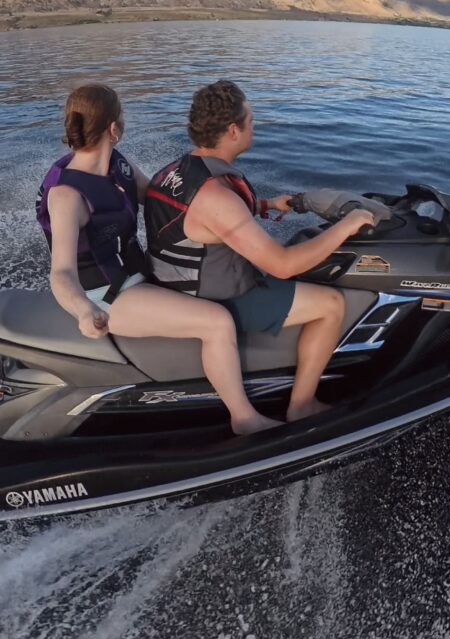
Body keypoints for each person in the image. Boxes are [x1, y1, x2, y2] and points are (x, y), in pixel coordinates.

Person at [37, 84, 280, 435]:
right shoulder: (67, 196)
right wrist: (84, 310)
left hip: (138, 272)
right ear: (114, 128)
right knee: (217, 322)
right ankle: (244, 418)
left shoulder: (117, 164)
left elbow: (166, 201)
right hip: (107, 296)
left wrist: (252, 209)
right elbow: (61, 272)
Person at [144, 79, 374, 422]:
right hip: (215, 297)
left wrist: (266, 204)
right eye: (251, 120)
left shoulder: (176, 170)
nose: (256, 125)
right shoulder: (216, 195)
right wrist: (347, 225)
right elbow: (282, 265)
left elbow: (204, 219)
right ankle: (302, 405)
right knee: (331, 304)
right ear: (233, 130)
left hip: (175, 284)